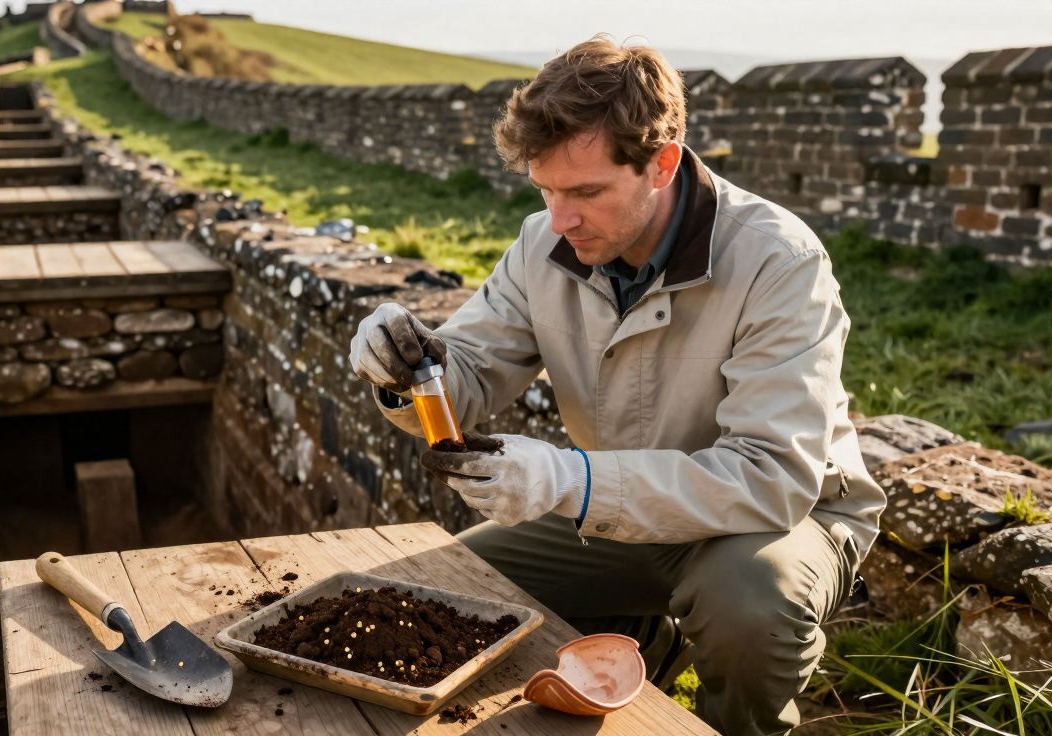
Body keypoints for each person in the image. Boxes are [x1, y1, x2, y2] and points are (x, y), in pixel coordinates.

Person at [347, 37, 886, 736]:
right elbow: (470, 375)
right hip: (621, 508)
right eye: (545, 189)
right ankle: (646, 640)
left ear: (662, 164)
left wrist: (570, 481)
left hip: (780, 519)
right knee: (444, 595)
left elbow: (771, 477)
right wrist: (406, 373)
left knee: (750, 604)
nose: (559, 219)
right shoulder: (543, 244)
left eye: (585, 192)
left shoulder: (780, 261)